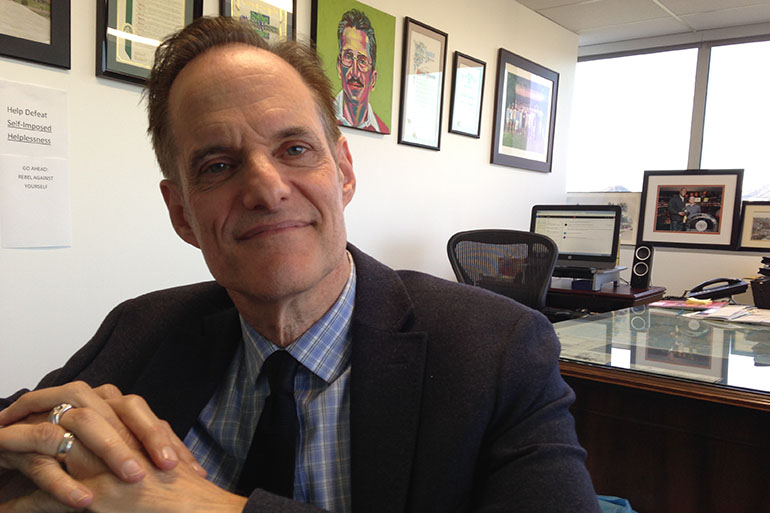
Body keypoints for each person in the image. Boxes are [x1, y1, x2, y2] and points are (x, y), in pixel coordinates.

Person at [0, 16, 600, 513]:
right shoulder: (142, 329)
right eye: (217, 165)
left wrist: (211, 507)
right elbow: (21, 431)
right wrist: (40, 441)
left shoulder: (497, 350)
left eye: (294, 149)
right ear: (181, 213)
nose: (266, 188)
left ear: (342, 172)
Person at [334, 9, 389, 133]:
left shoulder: (381, 128)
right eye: (348, 57)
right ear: (339, 66)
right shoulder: (320, 117)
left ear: (373, 79)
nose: (354, 72)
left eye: (362, 61)